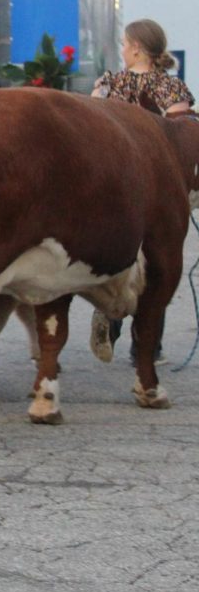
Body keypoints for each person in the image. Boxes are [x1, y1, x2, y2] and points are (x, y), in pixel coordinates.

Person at [90, 18, 195, 365]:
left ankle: (111, 318)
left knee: (121, 256)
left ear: (135, 47)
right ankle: (147, 348)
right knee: (158, 263)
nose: (122, 48)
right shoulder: (172, 89)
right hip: (158, 187)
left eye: (124, 43)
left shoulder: (109, 83)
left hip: (115, 183)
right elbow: (180, 139)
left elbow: (88, 126)